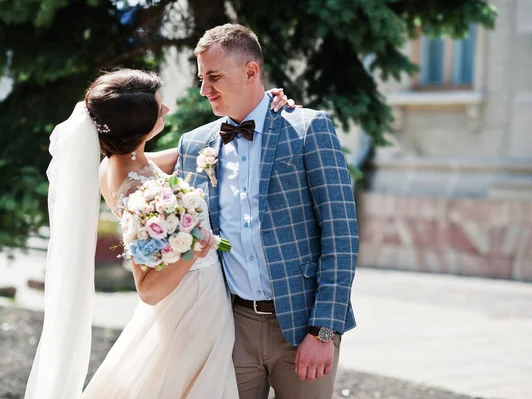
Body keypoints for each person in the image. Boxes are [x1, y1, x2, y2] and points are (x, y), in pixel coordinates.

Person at [24, 68, 293, 399]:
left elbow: (194, 149)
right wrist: (193, 249)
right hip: (190, 311)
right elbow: (148, 289)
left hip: (201, 302)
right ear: (139, 126)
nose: (167, 110)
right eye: (159, 107)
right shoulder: (137, 196)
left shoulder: (123, 163)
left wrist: (260, 108)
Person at [174, 24, 359, 399]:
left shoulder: (308, 128)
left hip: (303, 324)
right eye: (201, 78)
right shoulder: (194, 145)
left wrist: (323, 330)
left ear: (251, 72)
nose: (203, 89)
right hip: (231, 326)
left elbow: (341, 234)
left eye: (213, 77)